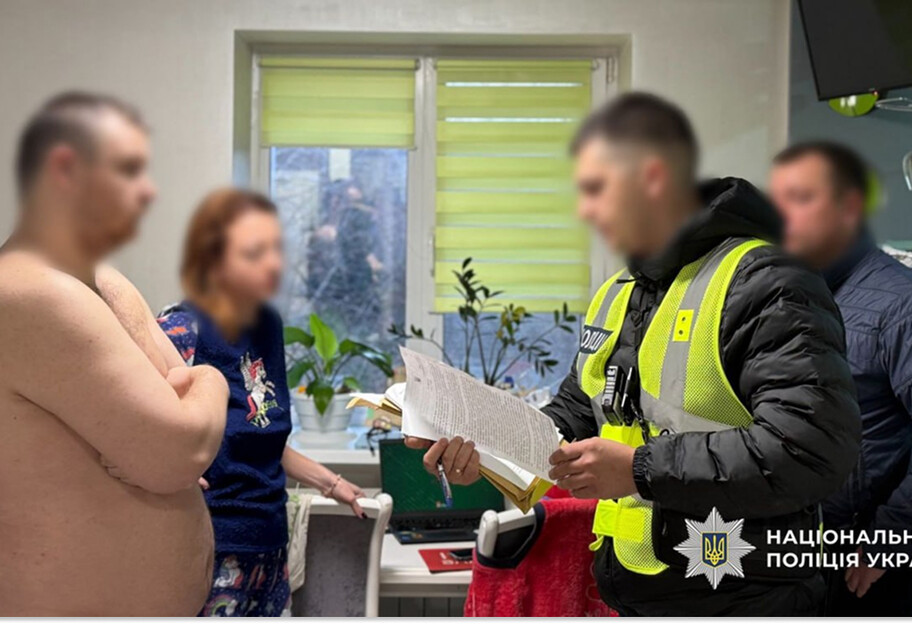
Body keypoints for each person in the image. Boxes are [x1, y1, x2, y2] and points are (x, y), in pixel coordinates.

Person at [408, 93, 861, 616]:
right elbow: (573, 419)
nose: (585, 210)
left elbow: (809, 450)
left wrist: (640, 470)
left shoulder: (768, 281)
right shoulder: (618, 293)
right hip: (638, 593)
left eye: (597, 189)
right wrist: (483, 451)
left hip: (745, 597)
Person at [0, 92, 228, 615]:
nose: (146, 192)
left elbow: (186, 417)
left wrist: (191, 404)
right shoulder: (27, 293)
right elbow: (180, 449)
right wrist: (211, 382)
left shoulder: (105, 282)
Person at [157, 188, 367, 617]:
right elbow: (129, 426)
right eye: (254, 253)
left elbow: (256, 434)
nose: (271, 264)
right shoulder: (181, 330)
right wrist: (168, 465)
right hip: (211, 546)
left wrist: (331, 483)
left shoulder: (267, 325)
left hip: (270, 543)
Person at [770, 141, 912, 616]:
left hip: (869, 565)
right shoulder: (791, 295)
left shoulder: (899, 304)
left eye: (802, 198)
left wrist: (887, 541)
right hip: (803, 550)